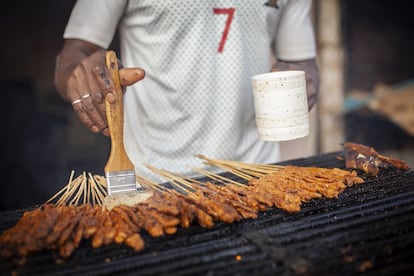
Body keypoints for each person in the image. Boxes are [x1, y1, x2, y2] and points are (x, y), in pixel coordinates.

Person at [55, 0, 319, 181]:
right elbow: (74, 54)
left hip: (255, 174)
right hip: (154, 179)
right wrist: (82, 77)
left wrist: (305, 78)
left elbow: (300, 61)